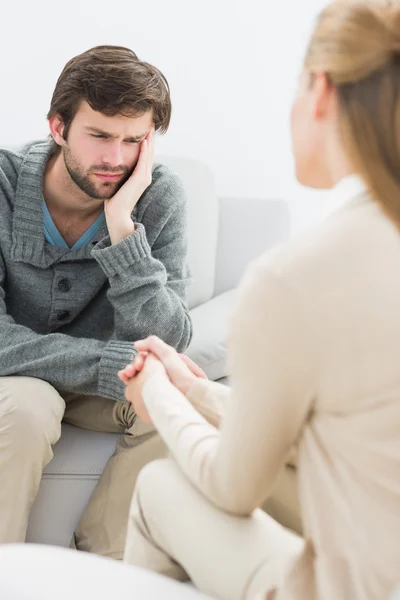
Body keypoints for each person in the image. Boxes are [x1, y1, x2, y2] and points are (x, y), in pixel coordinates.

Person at [120, 2, 400, 599]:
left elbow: (233, 486)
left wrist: (161, 397)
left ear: (320, 90)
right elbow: (335, 436)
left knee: (160, 487)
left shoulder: (295, 277)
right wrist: (193, 388)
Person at [0, 45, 193, 558]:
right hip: (15, 380)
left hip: (99, 386)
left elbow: (170, 339)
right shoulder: (2, 183)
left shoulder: (158, 196)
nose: (115, 158)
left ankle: (105, 574)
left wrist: (124, 228)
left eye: (134, 140)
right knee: (27, 409)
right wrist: (110, 364)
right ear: (58, 126)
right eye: (100, 135)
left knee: (173, 402)